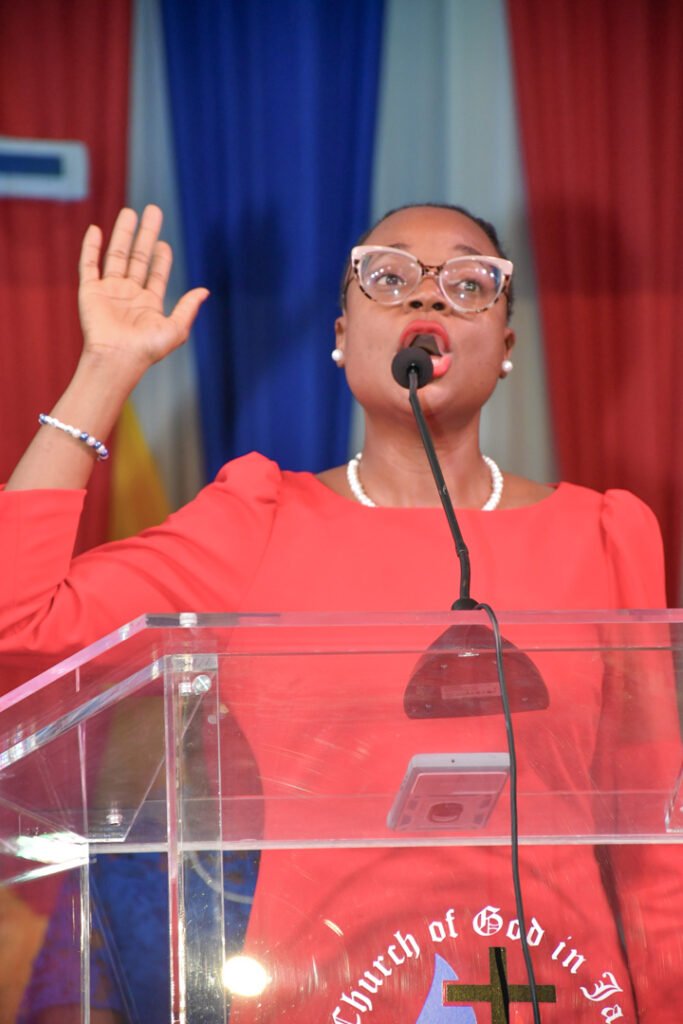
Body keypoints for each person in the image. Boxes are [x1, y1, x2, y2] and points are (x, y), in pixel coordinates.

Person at [1, 203, 681, 1022]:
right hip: (324, 996)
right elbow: (17, 620)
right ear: (340, 336)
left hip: (568, 994)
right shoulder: (257, 519)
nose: (426, 303)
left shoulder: (605, 534)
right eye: (388, 279)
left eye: (469, 285)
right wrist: (104, 370)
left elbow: (656, 840)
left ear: (505, 349)